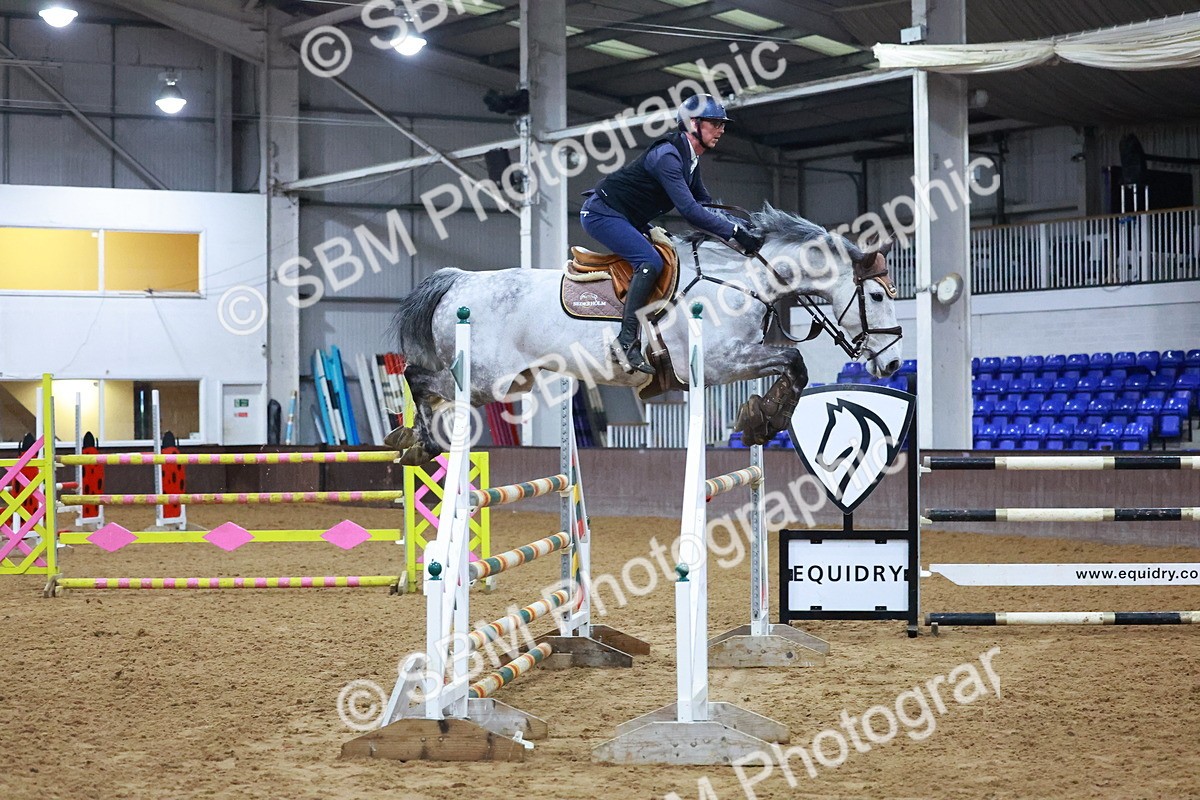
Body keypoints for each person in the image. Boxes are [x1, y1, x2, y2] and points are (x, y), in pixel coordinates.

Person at [580, 94, 764, 374]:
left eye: (722, 124)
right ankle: (626, 343)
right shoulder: (667, 157)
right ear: (693, 124)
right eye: (715, 123)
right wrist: (734, 231)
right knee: (650, 262)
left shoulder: (689, 159)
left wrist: (740, 227)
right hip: (602, 213)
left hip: (628, 216)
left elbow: (704, 204)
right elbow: (690, 211)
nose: (722, 130)